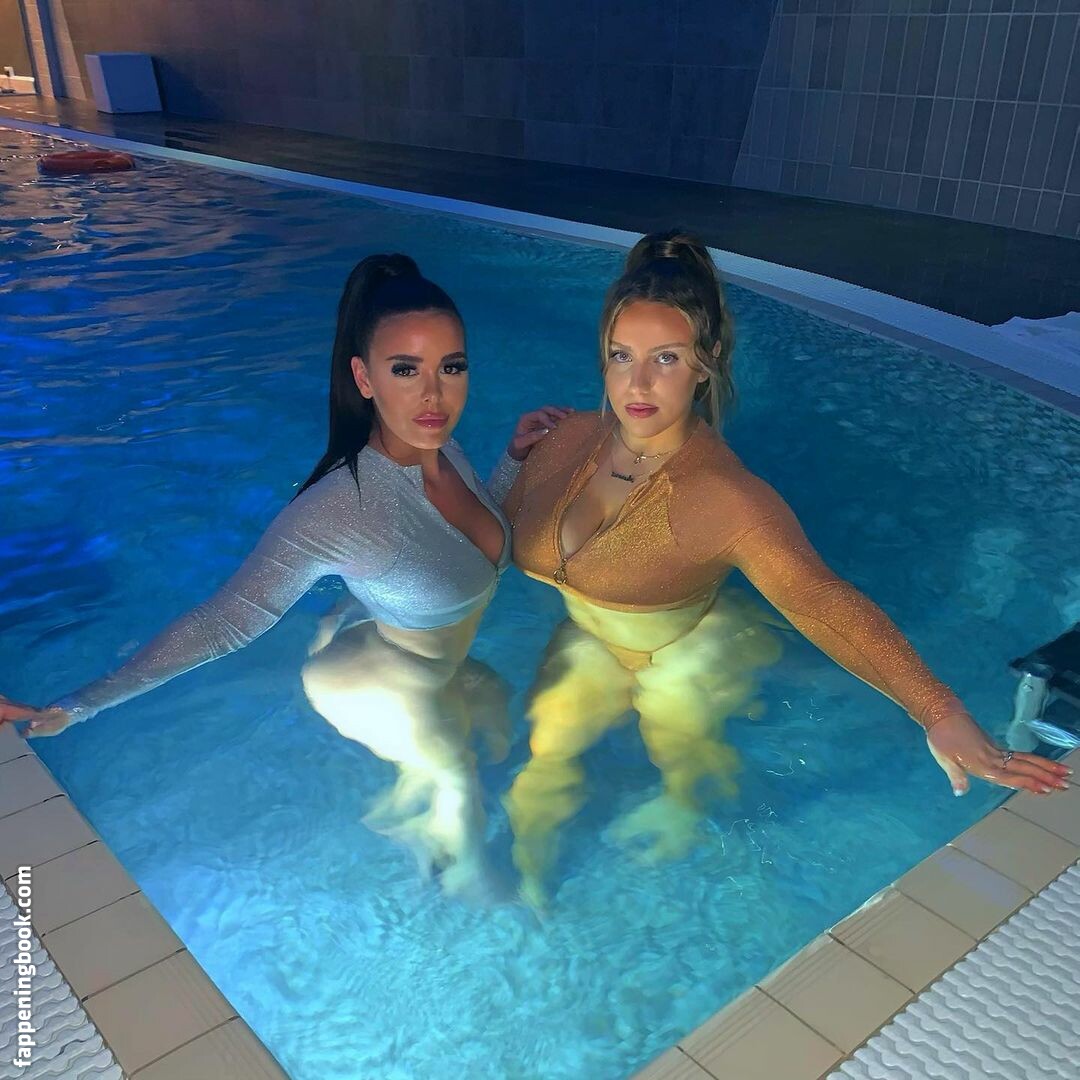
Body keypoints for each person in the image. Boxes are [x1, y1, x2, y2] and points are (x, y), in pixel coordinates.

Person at [488, 229, 1071, 906]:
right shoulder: (562, 439)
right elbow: (493, 539)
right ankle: (528, 903)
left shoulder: (726, 498)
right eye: (622, 356)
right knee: (544, 758)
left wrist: (938, 710)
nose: (637, 383)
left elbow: (819, 598)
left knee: (684, 764)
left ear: (705, 365)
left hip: (683, 655)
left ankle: (682, 811)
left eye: (666, 359)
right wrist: (513, 462)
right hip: (589, 638)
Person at [1, 253, 566, 898]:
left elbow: (470, 541)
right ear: (364, 377)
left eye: (451, 367)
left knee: (500, 731)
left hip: (414, 659)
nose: (433, 395)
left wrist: (514, 460)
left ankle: (410, 799)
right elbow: (222, 623)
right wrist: (79, 706)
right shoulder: (339, 507)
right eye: (405, 370)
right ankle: (458, 866)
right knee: (470, 826)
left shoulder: (444, 448)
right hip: (382, 690)